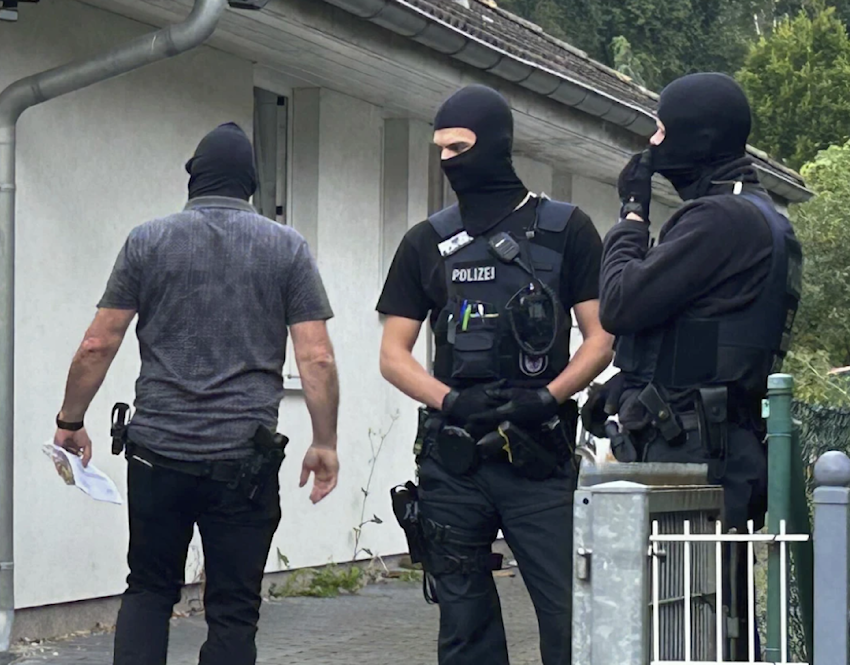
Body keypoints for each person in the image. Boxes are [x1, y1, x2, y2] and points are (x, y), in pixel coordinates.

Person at [50, 122, 341, 665]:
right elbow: (316, 356)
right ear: (251, 185)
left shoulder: (148, 240)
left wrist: (70, 420)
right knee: (233, 607)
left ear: (193, 180)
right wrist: (324, 440)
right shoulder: (287, 248)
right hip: (244, 461)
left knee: (149, 590)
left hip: (158, 454)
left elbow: (98, 343)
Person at [378, 84, 614, 665]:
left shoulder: (566, 230)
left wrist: (549, 396)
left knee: (567, 614)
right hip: (453, 460)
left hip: (537, 455)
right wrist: (449, 400)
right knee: (464, 625)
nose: (446, 161)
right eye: (439, 149)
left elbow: (602, 336)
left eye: (458, 146)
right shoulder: (425, 241)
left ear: (496, 143)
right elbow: (393, 352)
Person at [583, 72, 802, 660]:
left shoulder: (718, 220)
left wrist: (631, 215)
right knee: (713, 617)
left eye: (661, 130)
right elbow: (698, 331)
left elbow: (622, 303)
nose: (651, 145)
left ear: (694, 138)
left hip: (694, 455)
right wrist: (630, 381)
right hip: (721, 440)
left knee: (686, 626)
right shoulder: (761, 216)